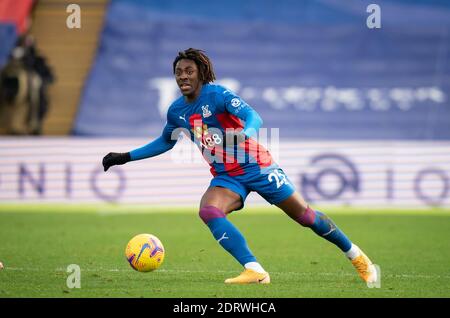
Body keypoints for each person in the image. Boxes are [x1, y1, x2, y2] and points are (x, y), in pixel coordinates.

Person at [102, 48, 378, 285]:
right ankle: (254, 269)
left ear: (201, 73)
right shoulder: (177, 111)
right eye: (178, 72)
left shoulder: (218, 95)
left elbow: (252, 115)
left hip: (258, 167)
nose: (183, 76)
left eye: (188, 71)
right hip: (226, 176)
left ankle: (355, 255)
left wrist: (245, 133)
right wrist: (125, 157)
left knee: (306, 217)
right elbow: (166, 141)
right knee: (209, 210)